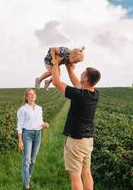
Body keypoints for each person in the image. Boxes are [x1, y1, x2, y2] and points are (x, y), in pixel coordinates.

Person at [51, 54, 101, 190]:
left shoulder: (79, 95)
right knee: (86, 173)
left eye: (83, 74)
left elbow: (56, 82)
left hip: (76, 141)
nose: (81, 75)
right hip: (88, 141)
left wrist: (55, 63)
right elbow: (78, 84)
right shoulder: (94, 94)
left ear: (85, 78)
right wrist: (68, 66)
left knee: (75, 176)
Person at [17, 88, 50, 190]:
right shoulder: (23, 109)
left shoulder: (39, 108)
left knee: (33, 160)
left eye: (33, 94)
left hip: (38, 134)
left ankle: (28, 176)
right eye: (30, 94)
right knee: (26, 160)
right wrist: (20, 140)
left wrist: (44, 124)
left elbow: (40, 121)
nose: (32, 95)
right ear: (26, 97)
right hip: (27, 135)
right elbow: (20, 125)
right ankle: (26, 184)